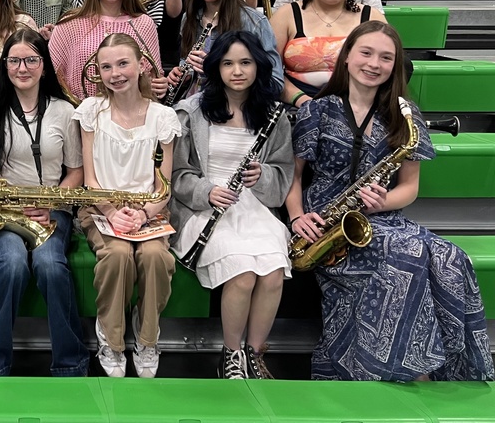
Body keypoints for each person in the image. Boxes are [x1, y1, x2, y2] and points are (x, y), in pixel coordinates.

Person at [288, 21, 493, 382]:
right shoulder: (315, 111)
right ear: (348, 55)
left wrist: (380, 202)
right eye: (366, 53)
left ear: (394, 66)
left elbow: (409, 188)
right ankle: (398, 371)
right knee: (407, 255)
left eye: (386, 58)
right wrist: (296, 217)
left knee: (451, 257)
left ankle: (446, 371)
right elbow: (291, 178)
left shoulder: (406, 117)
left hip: (380, 218)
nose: (374, 64)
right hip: (329, 226)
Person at [170, 31, 294, 380]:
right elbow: (177, 174)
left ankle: (255, 353)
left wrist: (263, 176)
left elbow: (282, 172)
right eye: (227, 63)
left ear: (258, 66)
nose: (237, 71)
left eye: (245, 62)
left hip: (253, 206)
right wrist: (207, 191)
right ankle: (231, 353)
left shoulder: (273, 114)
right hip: (205, 209)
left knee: (271, 273)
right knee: (241, 272)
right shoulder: (192, 112)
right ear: (215, 67)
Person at [0, 28, 89, 378]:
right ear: (5, 65)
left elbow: (76, 173)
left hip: (51, 209)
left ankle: (71, 364)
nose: (23, 67)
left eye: (31, 60)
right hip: (4, 211)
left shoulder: (65, 111)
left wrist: (49, 205)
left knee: (51, 266)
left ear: (44, 65)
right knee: (12, 263)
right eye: (15, 60)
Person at [75, 33, 180, 378]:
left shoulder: (163, 117)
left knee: (154, 256)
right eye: (106, 67)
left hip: (148, 209)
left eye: (123, 63)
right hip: (100, 208)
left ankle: (147, 337)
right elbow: (90, 179)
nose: (115, 73)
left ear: (142, 66)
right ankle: (112, 337)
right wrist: (110, 211)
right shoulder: (92, 111)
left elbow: (163, 185)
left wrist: (145, 213)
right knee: (118, 255)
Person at [272, 0, 387, 107]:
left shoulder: (372, 17)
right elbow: (269, 70)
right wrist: (302, 101)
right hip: (295, 104)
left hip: (358, 105)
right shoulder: (286, 15)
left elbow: (387, 68)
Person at [48, 0, 166, 103]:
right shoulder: (69, 23)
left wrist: (160, 85)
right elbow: (51, 73)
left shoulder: (144, 24)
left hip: (130, 114)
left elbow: (154, 76)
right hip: (79, 112)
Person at [170, 0, 283, 99]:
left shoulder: (254, 21)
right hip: (194, 106)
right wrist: (183, 76)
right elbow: (187, 64)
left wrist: (217, 71)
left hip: (239, 109)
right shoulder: (188, 19)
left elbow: (275, 83)